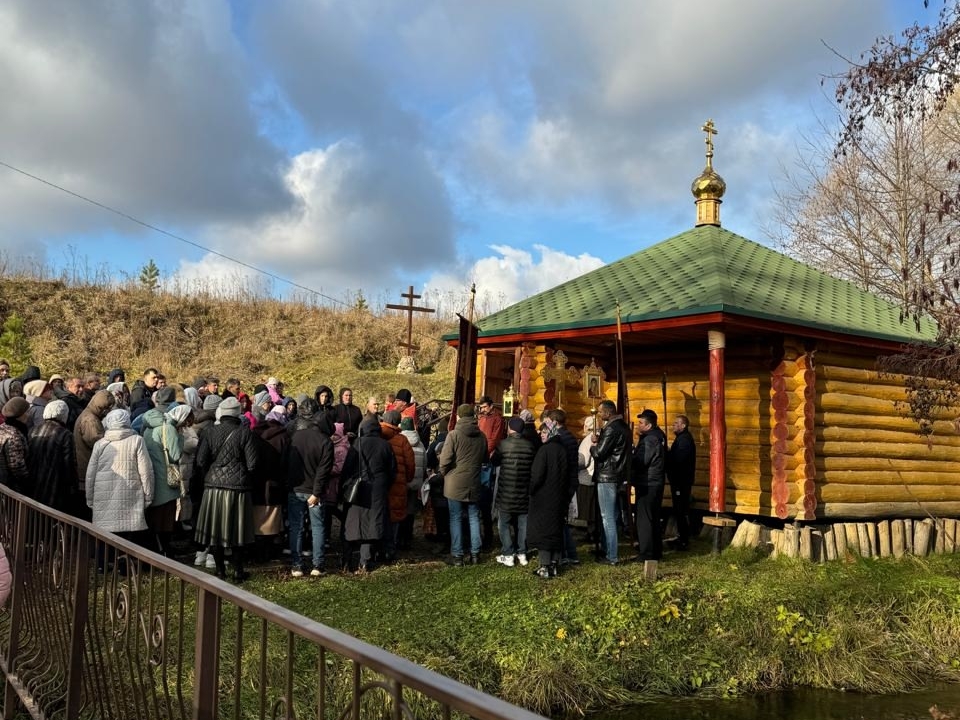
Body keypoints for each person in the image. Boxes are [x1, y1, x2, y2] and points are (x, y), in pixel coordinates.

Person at [193, 397, 258, 582]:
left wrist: (211, 474)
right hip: (237, 488)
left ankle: (220, 571)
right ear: (237, 413)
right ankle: (238, 572)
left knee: (215, 531)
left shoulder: (209, 431)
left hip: (213, 487)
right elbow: (252, 464)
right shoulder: (245, 433)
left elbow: (200, 461)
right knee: (237, 531)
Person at [85, 409, 154, 548]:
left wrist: (90, 498)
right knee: (129, 538)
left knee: (105, 538)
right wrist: (148, 496)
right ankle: (126, 560)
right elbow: (146, 472)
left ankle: (103, 559)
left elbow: (90, 474)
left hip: (103, 495)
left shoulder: (100, 444)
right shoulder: (137, 441)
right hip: (131, 494)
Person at [283, 398, 334, 577]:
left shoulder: (293, 438)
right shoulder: (325, 441)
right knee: (318, 528)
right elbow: (324, 470)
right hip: (314, 490)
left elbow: (285, 464)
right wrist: (317, 492)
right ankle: (317, 565)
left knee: (296, 527)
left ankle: (297, 565)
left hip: (296, 489)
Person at [343, 418, 394, 573]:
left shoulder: (357, 443)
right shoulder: (385, 445)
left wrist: (343, 487)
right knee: (372, 525)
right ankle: (364, 561)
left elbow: (347, 467)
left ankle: (346, 561)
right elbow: (392, 469)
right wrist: (385, 485)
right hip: (378, 489)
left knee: (353, 523)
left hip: (358, 488)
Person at [439, 404, 487, 566]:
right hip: (474, 481)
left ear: (458, 416)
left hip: (454, 483)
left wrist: (444, 473)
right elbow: (485, 458)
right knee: (474, 517)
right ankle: (475, 554)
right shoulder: (481, 436)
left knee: (455, 518)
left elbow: (445, 460)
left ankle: (457, 555)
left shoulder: (453, 435)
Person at [140, 387, 181, 556]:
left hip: (151, 476)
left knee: (154, 518)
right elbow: (175, 455)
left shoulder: (147, 425)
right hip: (166, 479)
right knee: (166, 520)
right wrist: (180, 437)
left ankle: (155, 550)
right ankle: (165, 552)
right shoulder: (168, 427)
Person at [589, 400, 632, 565]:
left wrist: (594, 445)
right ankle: (607, 548)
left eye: (601, 412)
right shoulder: (623, 427)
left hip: (607, 475)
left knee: (607, 517)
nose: (600, 415)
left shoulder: (612, 428)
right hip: (618, 474)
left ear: (608, 412)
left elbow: (599, 453)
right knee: (612, 515)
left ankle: (612, 556)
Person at [527, 417, 569, 579]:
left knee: (544, 530)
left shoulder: (544, 451)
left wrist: (531, 489)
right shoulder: (562, 450)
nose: (541, 435)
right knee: (555, 529)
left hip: (543, 497)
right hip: (558, 496)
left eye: (544, 432)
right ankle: (554, 564)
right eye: (541, 432)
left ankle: (544, 566)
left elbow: (537, 475)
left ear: (551, 433)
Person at [491, 416, 534, 567]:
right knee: (523, 524)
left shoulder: (503, 444)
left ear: (510, 428)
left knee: (503, 524)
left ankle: (508, 553)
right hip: (524, 491)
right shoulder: (530, 446)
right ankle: (522, 553)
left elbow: (494, 461)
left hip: (506, 491)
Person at [27, 399, 78, 513]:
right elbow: (69, 464)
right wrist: (73, 487)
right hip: (54, 486)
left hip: (33, 482)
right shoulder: (65, 434)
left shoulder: (33, 430)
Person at [379, 409, 415, 562]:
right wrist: (406, 479)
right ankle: (390, 550)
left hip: (380, 483)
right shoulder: (402, 440)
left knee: (380, 515)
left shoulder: (377, 435)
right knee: (394, 518)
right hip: (398, 484)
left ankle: (377, 548)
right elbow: (410, 465)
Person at [633, 409, 667, 563]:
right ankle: (655, 550)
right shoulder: (659, 436)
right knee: (653, 516)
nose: (638, 425)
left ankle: (646, 552)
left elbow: (642, 461)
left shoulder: (650, 439)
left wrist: (631, 456)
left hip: (648, 482)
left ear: (649, 425)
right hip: (656, 481)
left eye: (641, 423)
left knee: (644, 518)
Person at [666, 414, 696, 550]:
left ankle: (683, 540)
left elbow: (679, 460)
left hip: (681, 481)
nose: (674, 425)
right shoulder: (681, 439)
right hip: (680, 480)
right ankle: (682, 537)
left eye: (677, 423)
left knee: (681, 509)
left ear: (683, 425)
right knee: (679, 509)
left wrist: (668, 455)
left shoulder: (684, 440)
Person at [398, 416, 426, 551]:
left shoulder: (399, 441)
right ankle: (408, 537)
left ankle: (399, 537)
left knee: (400, 509)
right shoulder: (420, 444)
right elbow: (425, 464)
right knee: (410, 511)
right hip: (415, 482)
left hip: (402, 482)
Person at [0, 397, 31, 493]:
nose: (29, 415)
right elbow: (16, 466)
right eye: (27, 412)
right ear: (20, 415)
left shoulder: (2, 427)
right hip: (10, 486)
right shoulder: (14, 435)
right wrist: (28, 482)